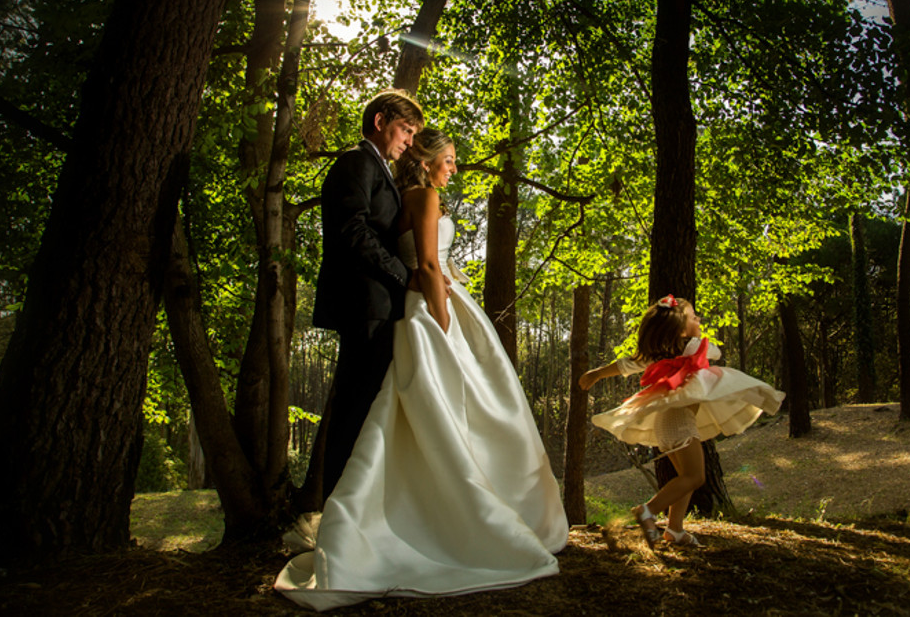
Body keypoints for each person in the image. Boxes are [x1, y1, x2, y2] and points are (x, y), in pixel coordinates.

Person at [276, 129, 568, 610]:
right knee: (460, 406)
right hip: (431, 310)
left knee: (427, 411)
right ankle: (465, 520)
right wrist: (446, 319)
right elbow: (430, 265)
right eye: (449, 159)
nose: (454, 168)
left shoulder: (404, 197)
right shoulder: (425, 196)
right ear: (427, 161)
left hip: (417, 305)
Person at [580, 295, 784, 548]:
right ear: (679, 326)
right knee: (695, 477)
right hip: (678, 422)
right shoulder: (694, 347)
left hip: (667, 423)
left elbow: (625, 365)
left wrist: (597, 373)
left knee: (684, 477)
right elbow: (715, 352)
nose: (698, 319)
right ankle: (648, 510)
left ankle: (675, 530)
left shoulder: (659, 354)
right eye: (693, 316)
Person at [312, 89, 424, 495]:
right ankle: (338, 513)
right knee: (354, 409)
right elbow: (351, 230)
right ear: (380, 122)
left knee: (366, 407)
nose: (409, 141)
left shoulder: (378, 169)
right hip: (364, 304)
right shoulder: (357, 162)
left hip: (378, 304)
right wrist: (403, 275)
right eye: (405, 130)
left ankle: (353, 509)